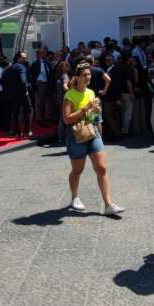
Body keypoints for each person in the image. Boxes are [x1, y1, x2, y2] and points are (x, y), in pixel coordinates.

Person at [63, 62, 124, 216]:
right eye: (84, 75)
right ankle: (74, 197)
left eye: (89, 74)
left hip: (93, 132)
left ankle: (108, 204)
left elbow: (95, 115)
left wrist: (97, 113)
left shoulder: (91, 92)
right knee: (77, 170)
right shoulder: (70, 95)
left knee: (102, 168)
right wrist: (85, 108)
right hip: (77, 135)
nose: (88, 77)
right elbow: (67, 119)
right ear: (76, 77)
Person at [3, 52, 33, 139]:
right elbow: (23, 80)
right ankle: (27, 131)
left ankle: (17, 132)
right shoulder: (21, 67)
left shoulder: (8, 68)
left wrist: (9, 90)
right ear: (18, 58)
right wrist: (26, 89)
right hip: (22, 93)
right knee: (28, 111)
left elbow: (2, 80)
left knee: (15, 113)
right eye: (24, 58)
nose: (26, 59)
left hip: (13, 94)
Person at [30, 48, 55, 124]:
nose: (44, 54)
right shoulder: (35, 64)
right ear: (39, 54)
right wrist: (34, 82)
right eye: (42, 53)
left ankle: (47, 117)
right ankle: (39, 119)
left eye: (45, 53)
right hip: (40, 85)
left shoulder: (47, 63)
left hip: (48, 84)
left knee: (48, 101)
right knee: (40, 103)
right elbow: (30, 75)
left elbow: (51, 74)